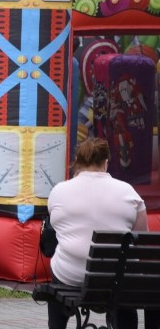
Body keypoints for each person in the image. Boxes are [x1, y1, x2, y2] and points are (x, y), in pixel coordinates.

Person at [46, 137, 156, 329]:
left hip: (72, 276)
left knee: (59, 267)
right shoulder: (129, 193)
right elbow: (141, 237)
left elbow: (55, 230)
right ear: (106, 163)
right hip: (118, 277)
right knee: (121, 280)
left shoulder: (59, 192)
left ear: (77, 162)